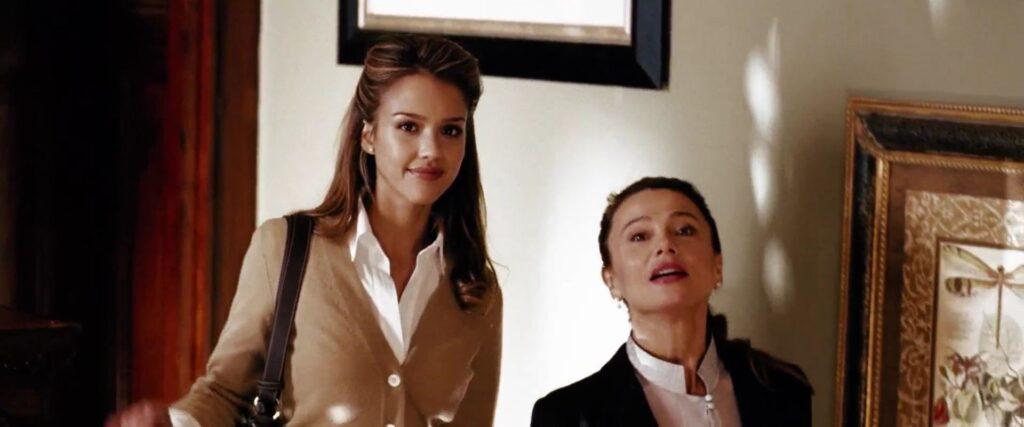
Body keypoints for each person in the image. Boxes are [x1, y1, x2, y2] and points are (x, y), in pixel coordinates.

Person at [107, 34, 502, 426]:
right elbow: (224, 392)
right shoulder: (285, 249)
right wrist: (172, 424)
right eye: (408, 127)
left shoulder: (476, 290)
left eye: (451, 130)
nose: (431, 150)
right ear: (368, 136)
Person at [530, 177, 811, 426]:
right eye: (639, 236)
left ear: (717, 266)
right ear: (611, 280)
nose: (665, 245)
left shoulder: (784, 389)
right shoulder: (567, 416)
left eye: (684, 230)